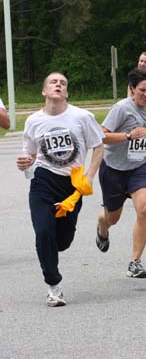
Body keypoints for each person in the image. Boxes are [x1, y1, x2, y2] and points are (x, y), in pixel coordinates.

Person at [16, 72, 104, 307]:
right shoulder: (34, 121)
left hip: (71, 185)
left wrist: (90, 175)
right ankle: (54, 286)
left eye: (63, 83)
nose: (58, 85)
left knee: (62, 241)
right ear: (44, 91)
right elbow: (30, 154)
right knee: (44, 231)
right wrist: (25, 162)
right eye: (53, 82)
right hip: (43, 181)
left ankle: (50, 252)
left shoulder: (82, 117)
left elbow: (98, 146)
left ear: (66, 92)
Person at [97, 68, 146, 278]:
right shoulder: (121, 109)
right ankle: (102, 226)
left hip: (140, 167)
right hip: (113, 168)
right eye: (142, 90)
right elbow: (102, 136)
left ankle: (135, 262)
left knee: (145, 208)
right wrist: (128, 136)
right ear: (132, 89)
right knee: (112, 218)